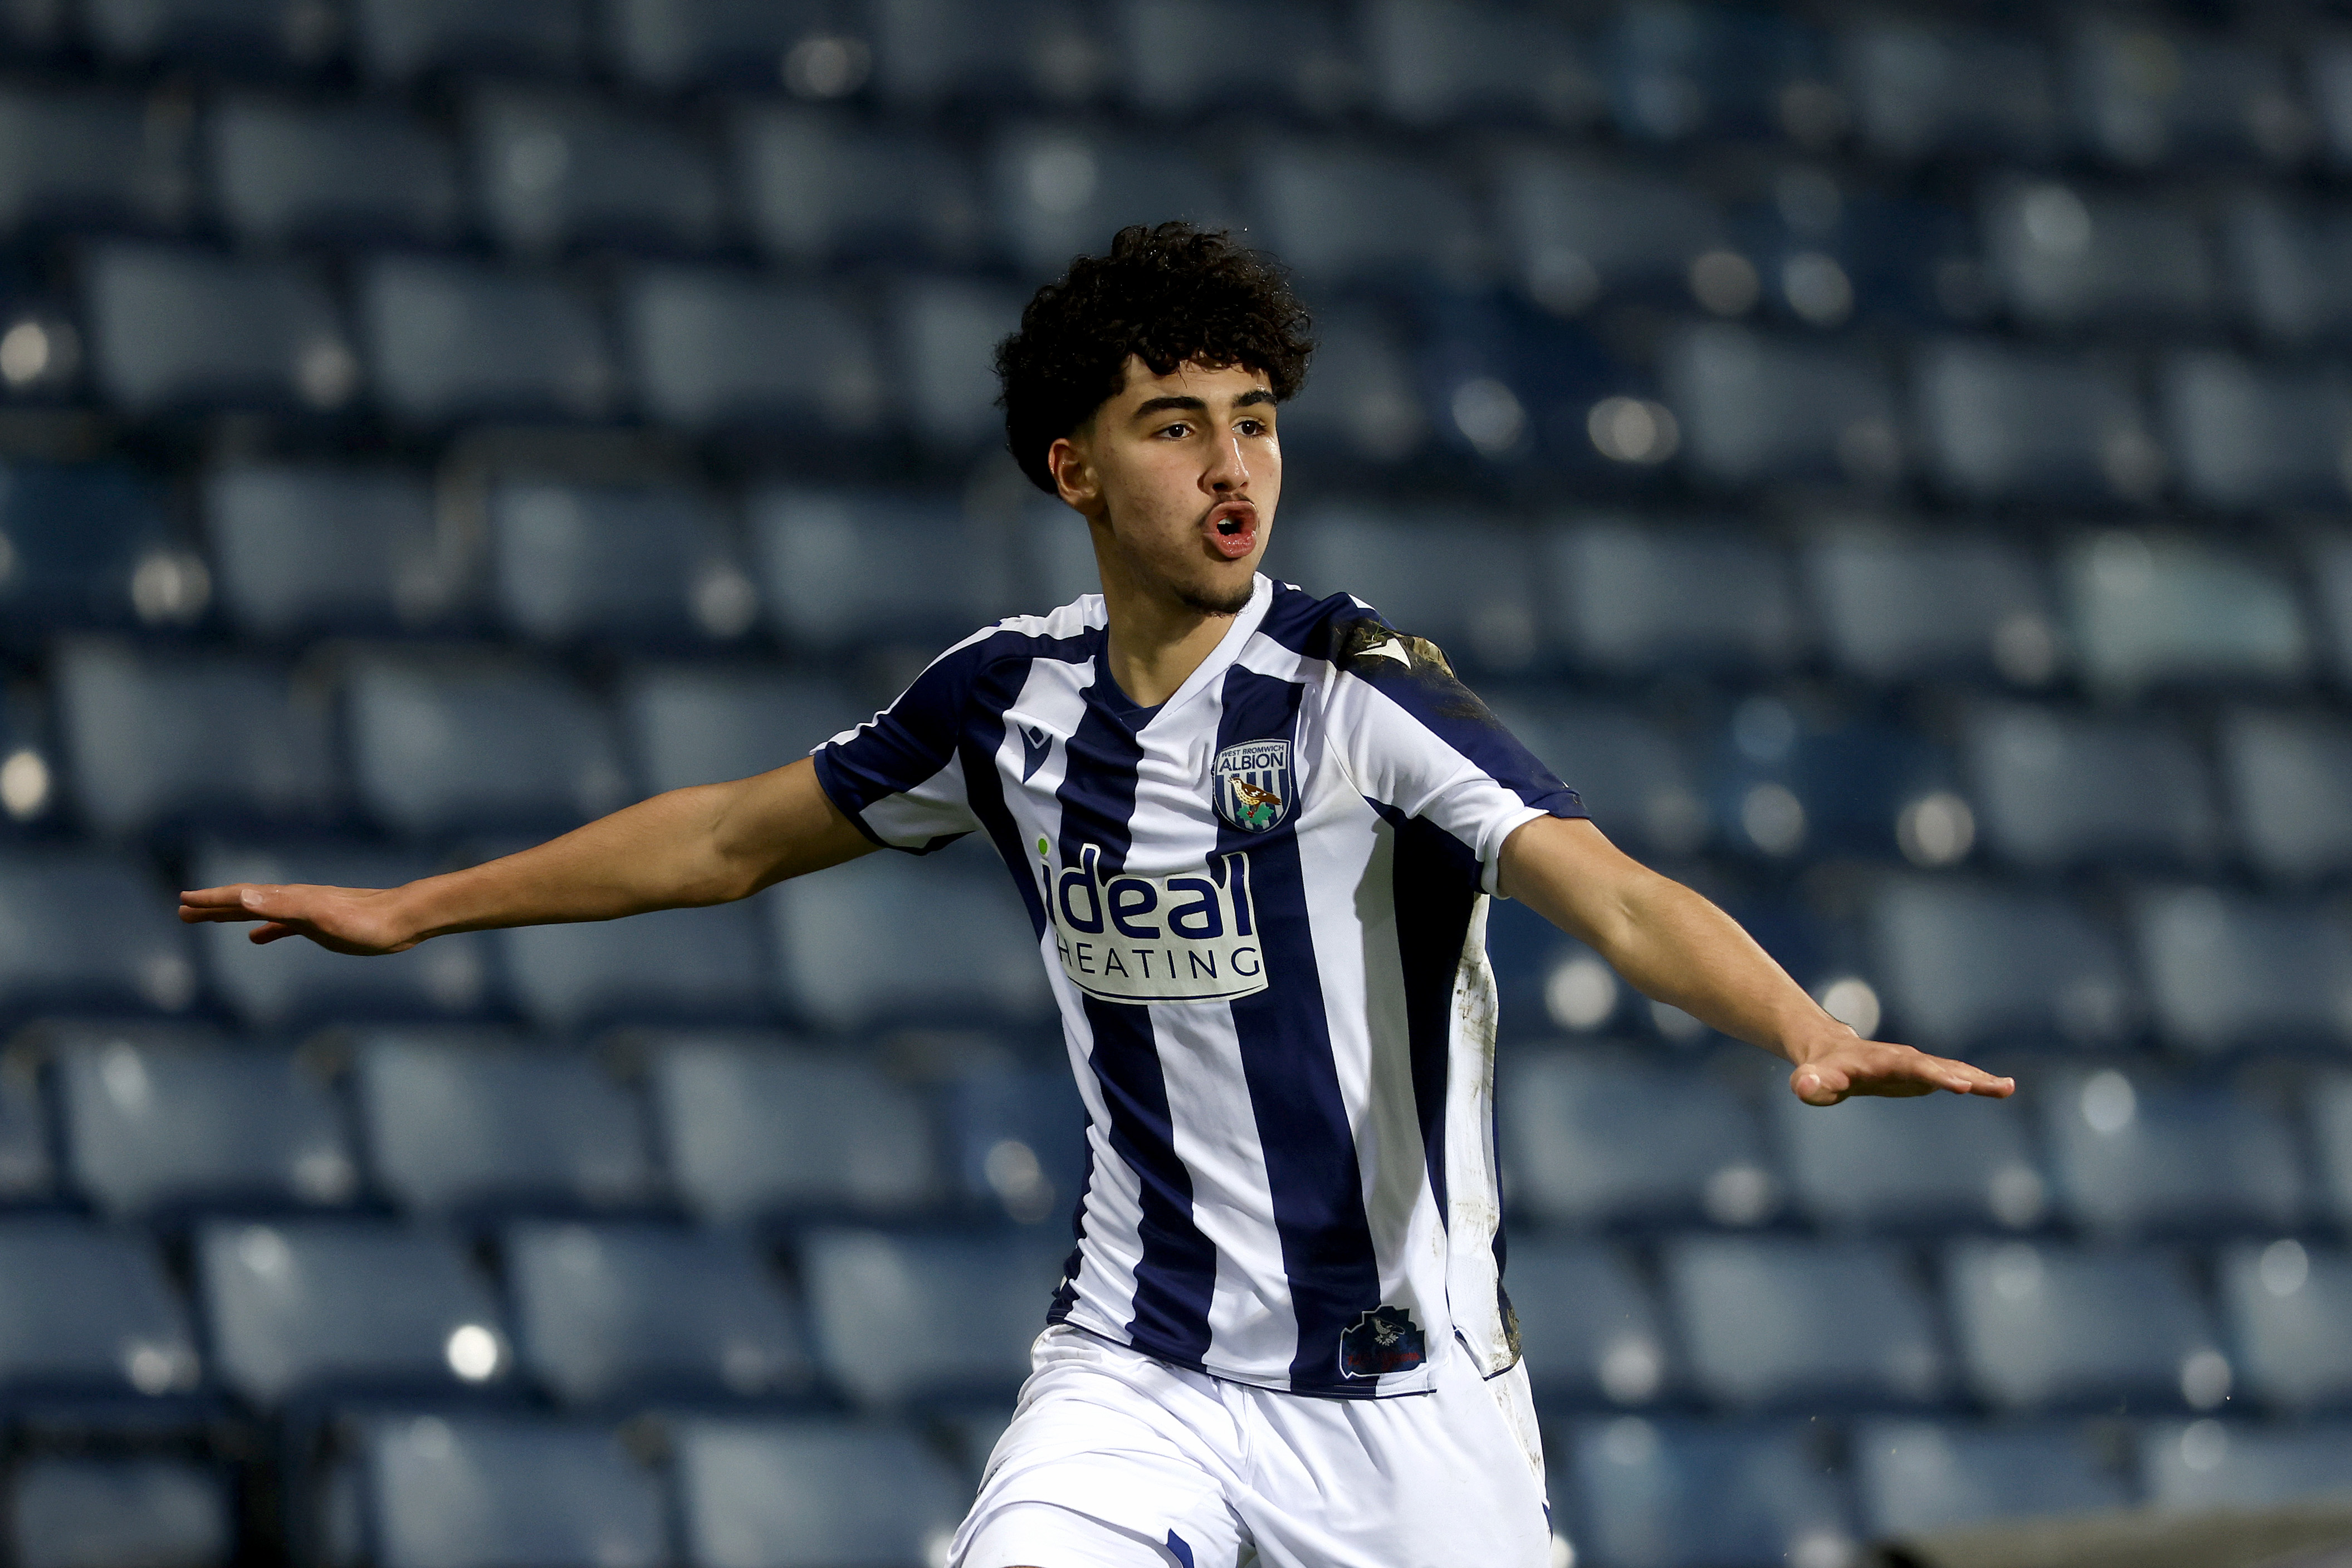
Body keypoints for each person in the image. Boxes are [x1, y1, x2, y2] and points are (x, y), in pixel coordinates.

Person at [180, 222, 2015, 1568]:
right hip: (1142, 1370)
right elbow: (733, 839)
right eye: (1176, 425)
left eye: (1258, 420)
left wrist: (1796, 1024)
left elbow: (1608, 891)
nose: (1234, 467)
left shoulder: (1356, 694)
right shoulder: (1006, 700)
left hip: (1410, 1417)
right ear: (1074, 467)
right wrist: (421, 909)